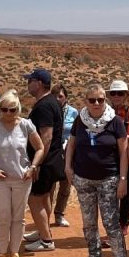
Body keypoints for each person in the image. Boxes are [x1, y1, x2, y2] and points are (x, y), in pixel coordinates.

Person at [65, 83, 129, 257]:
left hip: (108, 180)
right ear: (86, 101)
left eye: (100, 100)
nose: (96, 103)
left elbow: (123, 152)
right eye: (92, 100)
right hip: (83, 179)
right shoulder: (80, 120)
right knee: (88, 223)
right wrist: (68, 167)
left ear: (105, 100)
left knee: (111, 223)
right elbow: (71, 143)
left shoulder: (115, 122)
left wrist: (122, 179)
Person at [0, 89, 45, 257]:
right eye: (4, 109)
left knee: (18, 217)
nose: (8, 114)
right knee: (2, 216)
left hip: (22, 178)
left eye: (13, 110)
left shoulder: (26, 125)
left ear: (18, 109)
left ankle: (15, 253)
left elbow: (40, 147)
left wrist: (33, 167)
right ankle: (1, 253)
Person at [23, 68, 65, 252]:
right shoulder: (51, 102)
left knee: (34, 199)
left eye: (29, 80)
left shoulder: (45, 106)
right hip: (51, 160)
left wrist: (36, 163)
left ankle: (46, 241)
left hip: (44, 162)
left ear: (38, 83)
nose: (28, 84)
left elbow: (46, 137)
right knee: (45, 196)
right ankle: (43, 231)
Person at [108, 80, 129, 235]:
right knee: (110, 192)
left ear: (127, 95)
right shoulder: (104, 112)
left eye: (120, 93)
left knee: (126, 193)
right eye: (113, 93)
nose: (116, 96)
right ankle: (113, 224)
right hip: (109, 159)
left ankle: (123, 224)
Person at [53, 83, 75, 227]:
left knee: (65, 185)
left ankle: (59, 214)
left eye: (60, 96)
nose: (57, 99)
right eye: (55, 96)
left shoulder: (74, 112)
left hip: (68, 151)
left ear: (66, 98)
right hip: (53, 151)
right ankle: (44, 215)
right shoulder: (49, 110)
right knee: (49, 186)